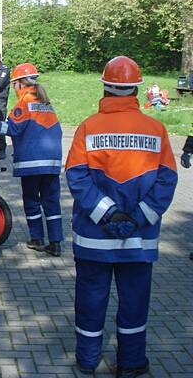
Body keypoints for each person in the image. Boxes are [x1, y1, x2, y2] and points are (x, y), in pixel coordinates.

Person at [65, 56, 178, 376]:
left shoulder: (88, 127)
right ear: (136, 91)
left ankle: (87, 360)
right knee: (134, 302)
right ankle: (130, 363)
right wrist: (138, 217)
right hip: (138, 239)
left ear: (105, 87)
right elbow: (168, 180)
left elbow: (76, 177)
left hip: (93, 237)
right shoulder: (156, 129)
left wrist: (107, 214)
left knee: (90, 298)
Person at [0, 63, 63, 257]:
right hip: (52, 162)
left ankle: (37, 239)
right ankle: (56, 243)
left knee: (32, 201)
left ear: (18, 83)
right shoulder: (46, 104)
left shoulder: (24, 103)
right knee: (52, 202)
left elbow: (14, 129)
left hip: (32, 163)